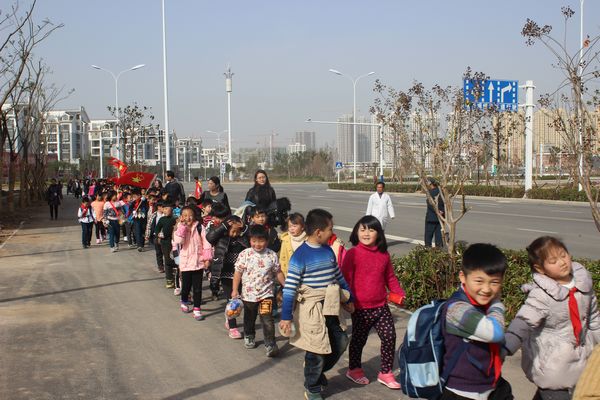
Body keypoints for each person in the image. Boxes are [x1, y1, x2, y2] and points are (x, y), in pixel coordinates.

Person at [503, 236, 600, 400]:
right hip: (553, 365)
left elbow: (594, 320)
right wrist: (504, 348)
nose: (562, 262)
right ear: (540, 269)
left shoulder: (583, 284)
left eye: (563, 255)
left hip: (583, 358)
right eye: (553, 261)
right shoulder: (541, 294)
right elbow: (523, 322)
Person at [279, 209, 354, 400]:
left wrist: (348, 298)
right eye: (330, 229)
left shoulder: (328, 250)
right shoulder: (300, 256)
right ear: (319, 232)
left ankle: (315, 370)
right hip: (311, 310)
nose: (332, 232)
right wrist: (286, 317)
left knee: (341, 342)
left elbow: (338, 276)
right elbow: (290, 289)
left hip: (331, 306)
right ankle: (312, 387)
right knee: (316, 351)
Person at [440, 243, 512, 400]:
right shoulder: (456, 310)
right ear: (462, 277)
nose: (486, 289)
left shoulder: (482, 304)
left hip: (490, 384)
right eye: (479, 281)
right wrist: (497, 304)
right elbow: (495, 333)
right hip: (462, 391)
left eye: (494, 282)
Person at [341, 215, 406, 389]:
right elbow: (345, 279)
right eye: (362, 229)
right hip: (360, 307)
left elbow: (390, 278)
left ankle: (386, 372)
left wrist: (399, 293)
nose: (366, 233)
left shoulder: (383, 255)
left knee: (390, 336)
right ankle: (354, 370)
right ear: (356, 232)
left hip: (381, 306)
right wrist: (348, 300)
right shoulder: (353, 254)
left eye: (371, 230)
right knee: (359, 340)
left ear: (379, 233)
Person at [232, 224, 285, 356]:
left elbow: (278, 272)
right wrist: (235, 290)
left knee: (267, 319)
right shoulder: (245, 254)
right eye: (254, 241)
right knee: (249, 318)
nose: (257, 244)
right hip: (248, 295)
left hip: (266, 294)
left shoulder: (271, 255)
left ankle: (270, 344)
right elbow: (237, 273)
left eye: (261, 241)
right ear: (250, 240)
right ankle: (249, 335)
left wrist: (286, 285)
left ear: (267, 241)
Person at [173, 206, 213, 321]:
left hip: (198, 262)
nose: (188, 218)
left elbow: (206, 243)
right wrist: (182, 227)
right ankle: (184, 301)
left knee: (197, 288)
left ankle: (197, 309)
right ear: (181, 217)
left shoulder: (200, 227)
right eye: (185, 215)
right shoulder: (179, 227)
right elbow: (178, 241)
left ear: (194, 216)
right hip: (185, 263)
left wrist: (207, 258)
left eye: (190, 215)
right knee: (186, 286)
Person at [155, 201, 177, 288]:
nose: (166, 210)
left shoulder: (175, 219)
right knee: (167, 260)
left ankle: (177, 275)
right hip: (165, 242)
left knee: (175, 259)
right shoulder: (162, 219)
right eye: (164, 209)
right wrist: (158, 234)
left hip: (174, 242)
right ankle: (169, 280)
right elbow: (157, 228)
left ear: (172, 209)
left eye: (168, 208)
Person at [278, 213, 307, 277]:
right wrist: (284, 274)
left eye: (294, 226)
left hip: (305, 274)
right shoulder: (285, 240)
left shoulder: (308, 240)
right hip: (290, 274)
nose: (291, 229)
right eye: (290, 226)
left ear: (302, 227)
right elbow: (282, 259)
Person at [146, 199, 165, 273]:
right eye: (163, 207)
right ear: (158, 207)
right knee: (158, 252)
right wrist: (147, 235)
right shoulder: (154, 215)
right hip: (156, 236)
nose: (164, 209)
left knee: (166, 253)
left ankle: (168, 266)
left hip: (165, 236)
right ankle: (160, 266)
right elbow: (149, 225)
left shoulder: (167, 215)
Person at [425, 177, 445, 247]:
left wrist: (438, 211)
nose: (426, 183)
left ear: (430, 183)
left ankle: (427, 248)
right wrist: (442, 211)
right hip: (441, 217)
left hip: (431, 217)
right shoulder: (441, 191)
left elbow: (430, 204)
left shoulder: (429, 192)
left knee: (428, 235)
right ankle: (439, 249)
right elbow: (446, 203)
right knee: (439, 235)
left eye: (427, 182)